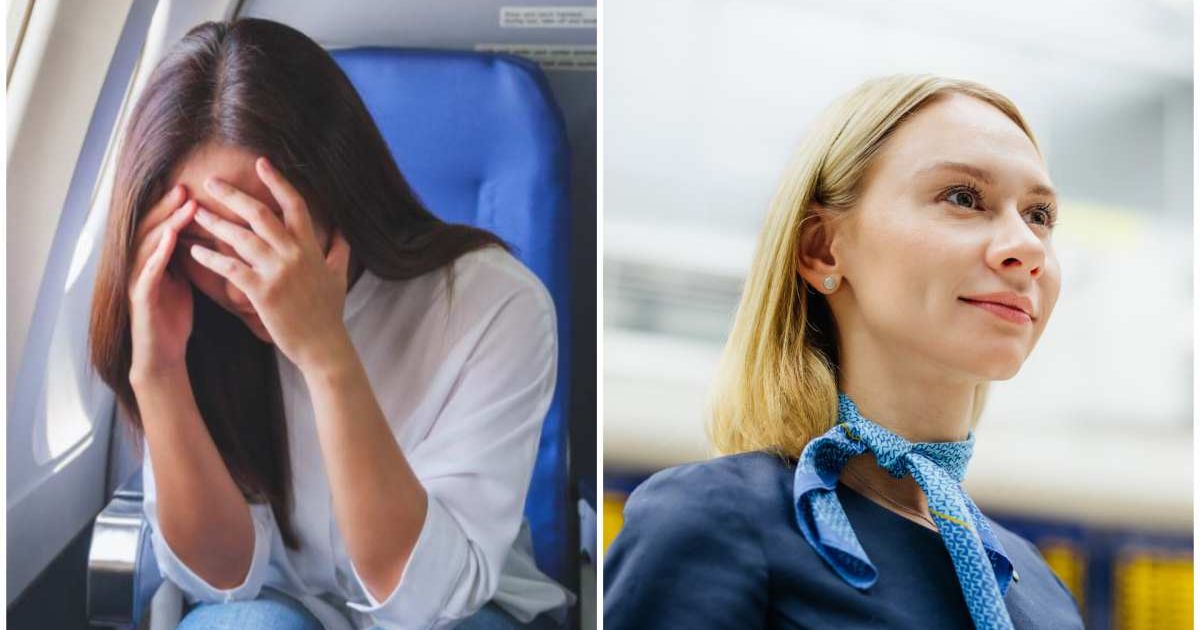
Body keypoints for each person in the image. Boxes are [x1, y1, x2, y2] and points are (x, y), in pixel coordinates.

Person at [88, 18, 571, 630]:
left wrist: (325, 352)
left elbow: (423, 600)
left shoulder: (494, 304)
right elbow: (224, 578)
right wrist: (158, 372)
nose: (239, 286)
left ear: (338, 187)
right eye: (204, 245)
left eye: (259, 233)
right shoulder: (190, 311)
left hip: (460, 611)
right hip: (277, 606)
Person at [603, 75, 1084, 629]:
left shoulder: (1038, 588)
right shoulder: (713, 520)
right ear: (822, 249)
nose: (1026, 248)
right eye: (963, 198)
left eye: (1039, 215)